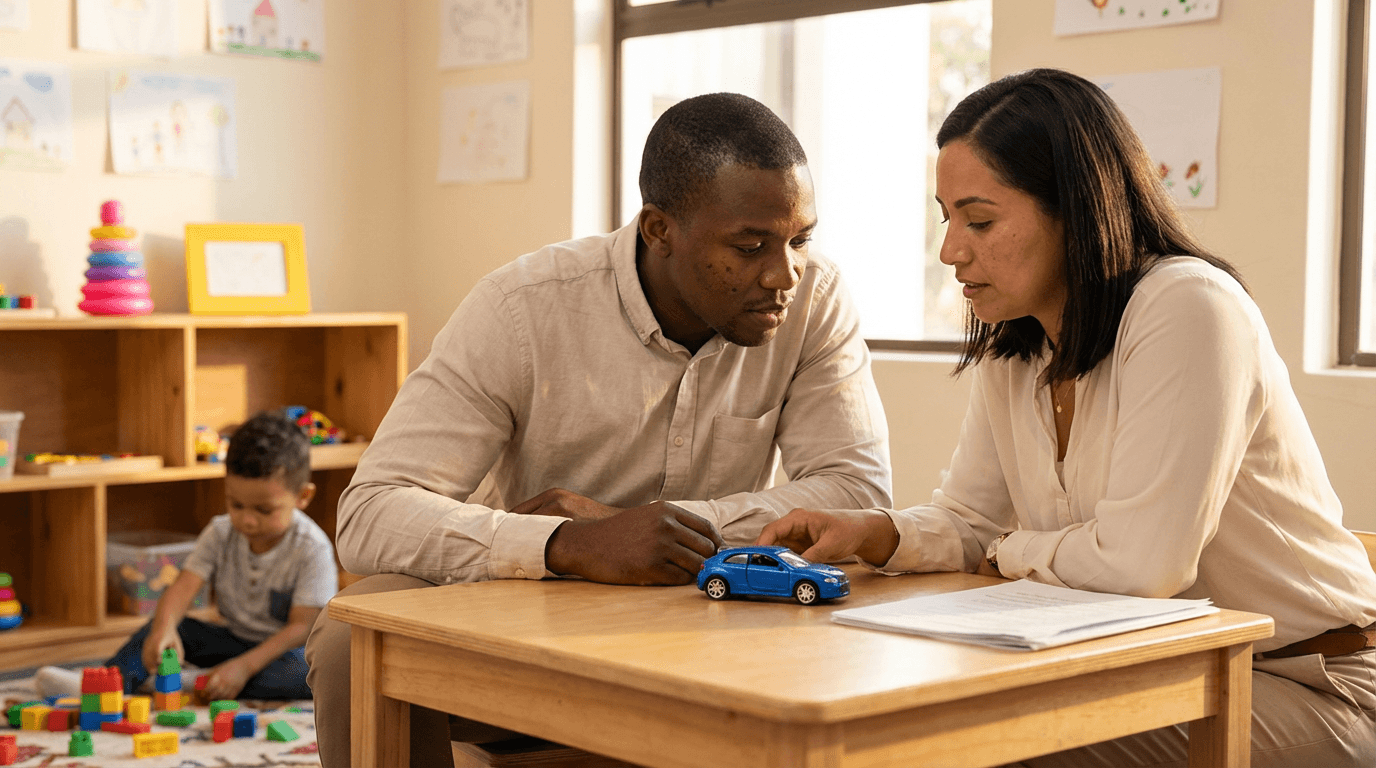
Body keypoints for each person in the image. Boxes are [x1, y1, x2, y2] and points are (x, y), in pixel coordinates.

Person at [758, 68, 1376, 767]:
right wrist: (875, 534)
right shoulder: (1016, 344)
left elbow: (1142, 568)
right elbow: (973, 522)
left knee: (967, 744)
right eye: (947, 217)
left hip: (1309, 681)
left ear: (1075, 209)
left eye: (980, 220)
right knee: (898, 714)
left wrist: (1009, 551)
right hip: (1161, 669)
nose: (951, 250)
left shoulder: (1189, 307)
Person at [305, 92, 892, 767]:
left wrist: (646, 528)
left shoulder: (814, 299)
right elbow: (370, 512)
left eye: (801, 239)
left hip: (706, 602)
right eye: (750, 245)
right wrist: (565, 545)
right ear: (659, 230)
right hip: (522, 599)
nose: (784, 273)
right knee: (351, 638)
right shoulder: (520, 308)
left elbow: (859, 495)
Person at [38, 410, 338, 701]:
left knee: (310, 673)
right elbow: (181, 589)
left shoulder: (312, 548)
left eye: (263, 510)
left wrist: (244, 667)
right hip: (231, 640)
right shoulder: (220, 532)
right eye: (236, 505)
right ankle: (107, 683)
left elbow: (302, 628)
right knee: (169, 625)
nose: (247, 520)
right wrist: (163, 630)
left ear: (303, 497)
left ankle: (194, 682)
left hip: (283, 650)